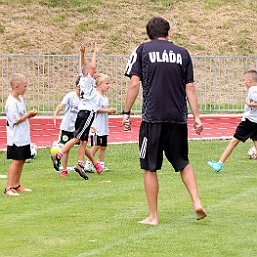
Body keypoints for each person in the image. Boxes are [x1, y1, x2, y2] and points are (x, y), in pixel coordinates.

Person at [123, 16, 207, 225]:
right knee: (183, 163)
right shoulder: (183, 53)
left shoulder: (142, 50)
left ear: (149, 34)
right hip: (178, 118)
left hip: (153, 119)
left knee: (150, 167)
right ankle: (196, 201)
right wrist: (196, 117)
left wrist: (126, 112)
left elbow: (134, 84)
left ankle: (153, 216)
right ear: (169, 32)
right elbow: (190, 87)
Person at [51, 43, 104, 177]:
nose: (95, 72)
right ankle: (59, 154)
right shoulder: (87, 80)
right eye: (94, 72)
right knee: (76, 138)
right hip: (88, 112)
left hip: (82, 112)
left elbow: (83, 67)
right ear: (89, 73)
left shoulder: (82, 78)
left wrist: (82, 53)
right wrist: (95, 52)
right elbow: (91, 66)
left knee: (84, 140)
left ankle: (80, 164)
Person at [208, 69, 257, 172]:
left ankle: (219, 164)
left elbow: (253, 102)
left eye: (244, 80)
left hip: (249, 121)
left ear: (249, 80)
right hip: (254, 121)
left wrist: (249, 103)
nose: (244, 82)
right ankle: (219, 164)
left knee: (234, 141)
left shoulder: (253, 89)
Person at [4, 73, 37, 196]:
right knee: (16, 161)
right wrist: (28, 115)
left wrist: (29, 115)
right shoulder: (11, 102)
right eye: (25, 86)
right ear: (16, 86)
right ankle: (8, 188)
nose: (26, 88)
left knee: (22, 160)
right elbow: (15, 120)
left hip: (23, 136)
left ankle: (17, 185)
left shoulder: (20, 99)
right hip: (15, 138)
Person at [53, 76, 87, 177]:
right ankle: (64, 169)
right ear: (77, 86)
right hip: (67, 127)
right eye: (80, 87)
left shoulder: (85, 99)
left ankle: (86, 164)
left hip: (77, 128)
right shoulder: (70, 96)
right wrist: (55, 113)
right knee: (66, 148)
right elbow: (61, 105)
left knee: (83, 144)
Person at [85, 73, 116, 172]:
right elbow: (96, 109)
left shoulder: (105, 98)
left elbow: (104, 110)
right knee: (96, 145)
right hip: (96, 125)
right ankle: (88, 164)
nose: (108, 86)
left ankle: (101, 164)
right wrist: (108, 111)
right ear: (99, 84)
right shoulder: (96, 96)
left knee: (103, 146)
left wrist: (109, 112)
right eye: (106, 83)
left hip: (103, 126)